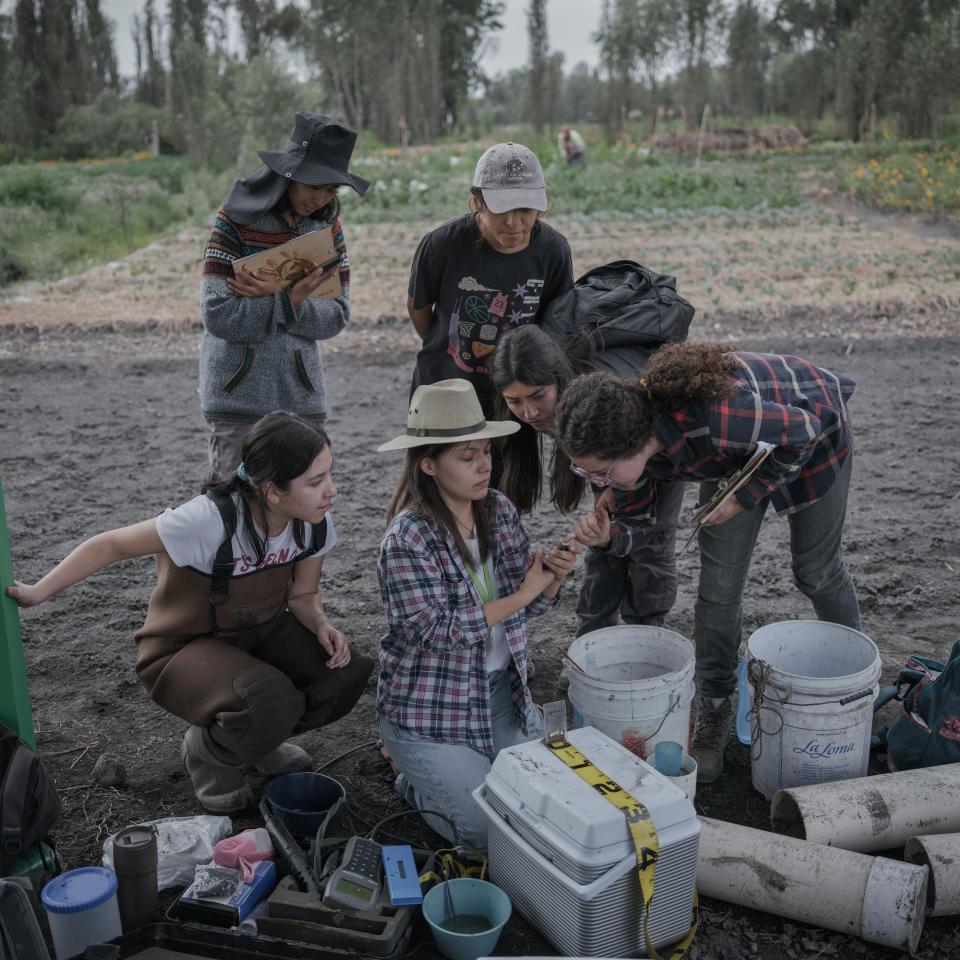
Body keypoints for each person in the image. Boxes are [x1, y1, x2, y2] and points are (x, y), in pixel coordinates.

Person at [7, 412, 375, 813]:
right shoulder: (208, 519)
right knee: (270, 699)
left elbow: (303, 593)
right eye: (316, 481)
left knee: (342, 674)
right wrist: (37, 592)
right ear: (272, 491)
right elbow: (109, 545)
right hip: (183, 648)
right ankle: (207, 751)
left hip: (260, 634)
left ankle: (254, 739)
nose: (332, 491)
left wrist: (322, 623)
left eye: (329, 474)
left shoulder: (313, 521)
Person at [554, 344, 860, 784]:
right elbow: (640, 526)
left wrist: (743, 496)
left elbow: (803, 430)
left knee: (815, 570)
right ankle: (715, 708)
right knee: (718, 587)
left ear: (630, 447)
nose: (598, 486)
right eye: (588, 476)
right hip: (734, 456)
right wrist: (608, 536)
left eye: (600, 474)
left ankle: (855, 690)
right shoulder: (638, 456)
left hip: (812, 428)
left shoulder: (718, 416)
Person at [375, 378, 580, 849]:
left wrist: (553, 576)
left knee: (541, 812)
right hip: (430, 712)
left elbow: (528, 610)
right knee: (487, 833)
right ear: (428, 463)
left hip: (499, 693)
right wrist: (525, 594)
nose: (485, 466)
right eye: (467, 457)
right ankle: (414, 777)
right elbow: (439, 631)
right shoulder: (406, 540)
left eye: (487, 451)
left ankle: (435, 780)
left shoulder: (499, 511)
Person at [200, 112, 370, 476]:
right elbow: (217, 314)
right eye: (315, 186)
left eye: (331, 190)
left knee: (304, 512)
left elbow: (337, 315)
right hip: (236, 402)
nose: (321, 199)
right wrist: (287, 301)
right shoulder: (234, 221)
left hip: (302, 402)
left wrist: (285, 297)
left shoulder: (327, 228)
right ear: (290, 174)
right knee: (234, 512)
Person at [491, 325, 683, 641]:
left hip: (653, 456)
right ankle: (593, 640)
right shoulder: (537, 407)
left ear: (559, 378)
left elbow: (647, 445)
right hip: (605, 456)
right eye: (514, 401)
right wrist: (606, 484)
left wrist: (617, 480)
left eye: (538, 396)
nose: (529, 412)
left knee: (650, 544)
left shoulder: (601, 392)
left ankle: (644, 639)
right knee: (600, 537)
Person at [406, 141, 573, 426]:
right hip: (445, 385)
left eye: (525, 209)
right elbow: (418, 308)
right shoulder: (443, 244)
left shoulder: (553, 250)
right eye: (501, 208)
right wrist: (450, 350)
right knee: (440, 466)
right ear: (478, 202)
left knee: (510, 469)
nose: (514, 221)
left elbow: (557, 323)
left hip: (516, 396)